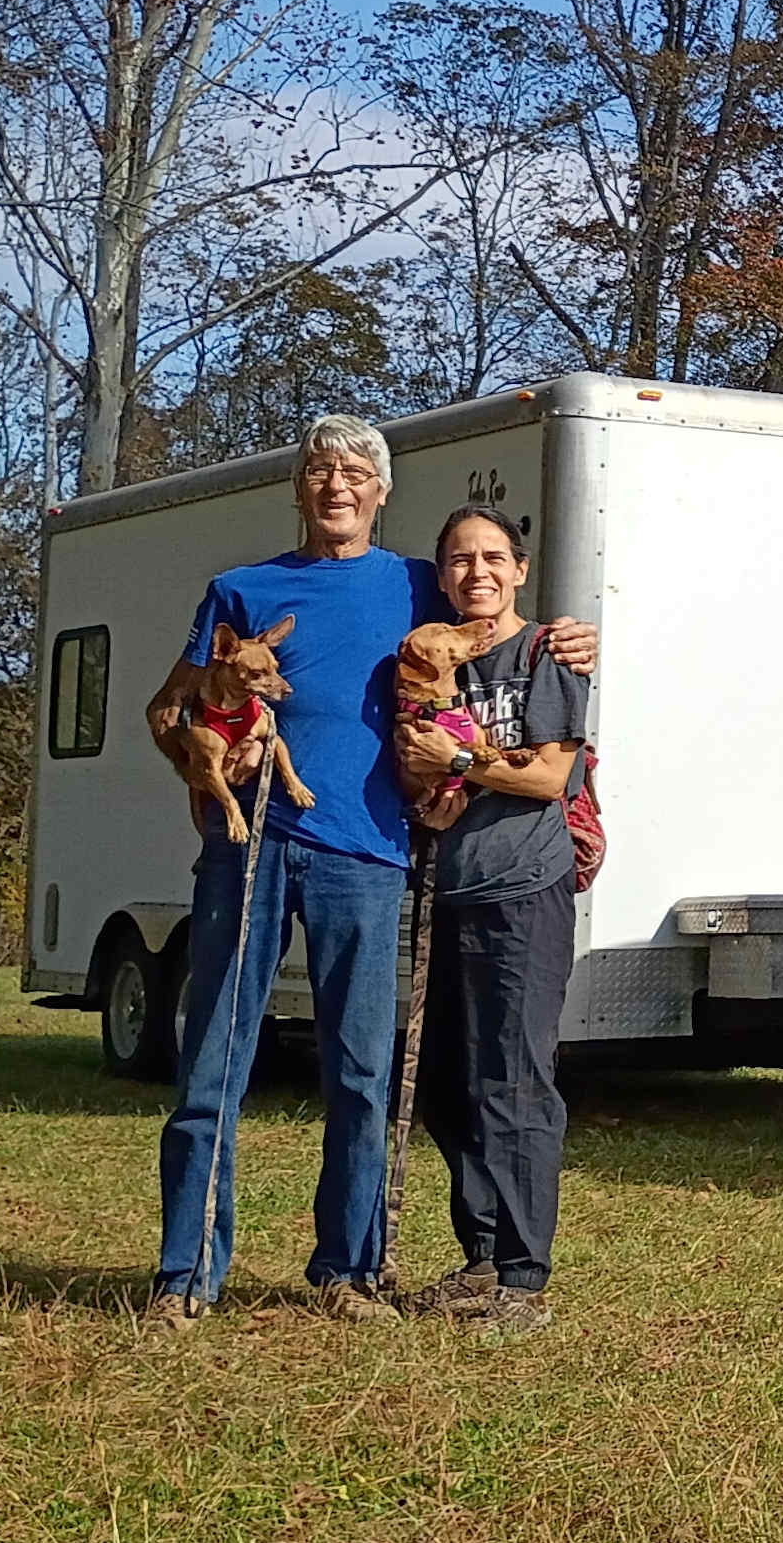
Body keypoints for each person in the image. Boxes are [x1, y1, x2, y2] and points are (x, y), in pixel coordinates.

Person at [141, 416, 596, 1328]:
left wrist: (566, 637)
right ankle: (186, 1277)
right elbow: (167, 709)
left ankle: (348, 1272)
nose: (337, 485)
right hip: (252, 849)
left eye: (356, 472)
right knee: (216, 1059)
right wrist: (200, 762)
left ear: (383, 493)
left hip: (372, 853)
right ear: (299, 488)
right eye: (320, 470)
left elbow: (495, 618)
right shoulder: (240, 591)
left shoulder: (418, 585)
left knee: (360, 1073)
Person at [392, 505, 589, 1335]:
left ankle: (523, 1276)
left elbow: (548, 777)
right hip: (443, 891)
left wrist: (463, 760)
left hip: (522, 888)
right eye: (460, 560)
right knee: (445, 1084)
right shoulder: (421, 656)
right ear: (441, 575)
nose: (477, 572)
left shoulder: (546, 652)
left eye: (492, 558)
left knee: (514, 1080)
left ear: (519, 568)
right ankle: (477, 1258)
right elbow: (406, 767)